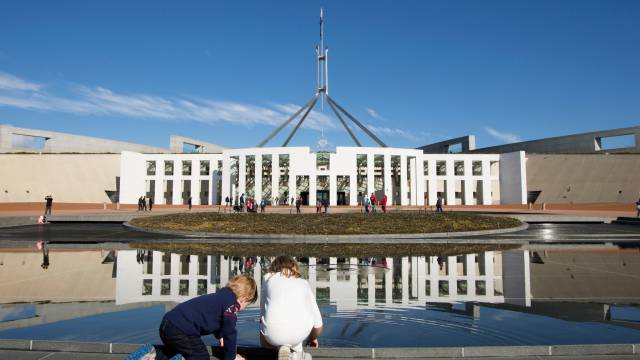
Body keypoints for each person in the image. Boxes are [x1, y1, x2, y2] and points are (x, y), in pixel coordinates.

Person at [128, 275, 257, 360]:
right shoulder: (232, 304)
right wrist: (232, 357)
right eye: (247, 304)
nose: (244, 308)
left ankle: (152, 354)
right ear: (244, 299)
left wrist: (220, 335)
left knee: (176, 350)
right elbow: (230, 332)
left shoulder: (221, 296)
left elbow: (213, 320)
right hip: (181, 330)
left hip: (168, 324)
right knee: (200, 356)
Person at [260, 256, 322, 360]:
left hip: (272, 335)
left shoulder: (267, 278)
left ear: (274, 267)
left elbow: (262, 312)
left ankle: (279, 348)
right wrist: (312, 338)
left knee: (263, 320)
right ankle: (297, 352)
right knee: (298, 338)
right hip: (299, 334)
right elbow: (318, 326)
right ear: (295, 268)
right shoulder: (304, 283)